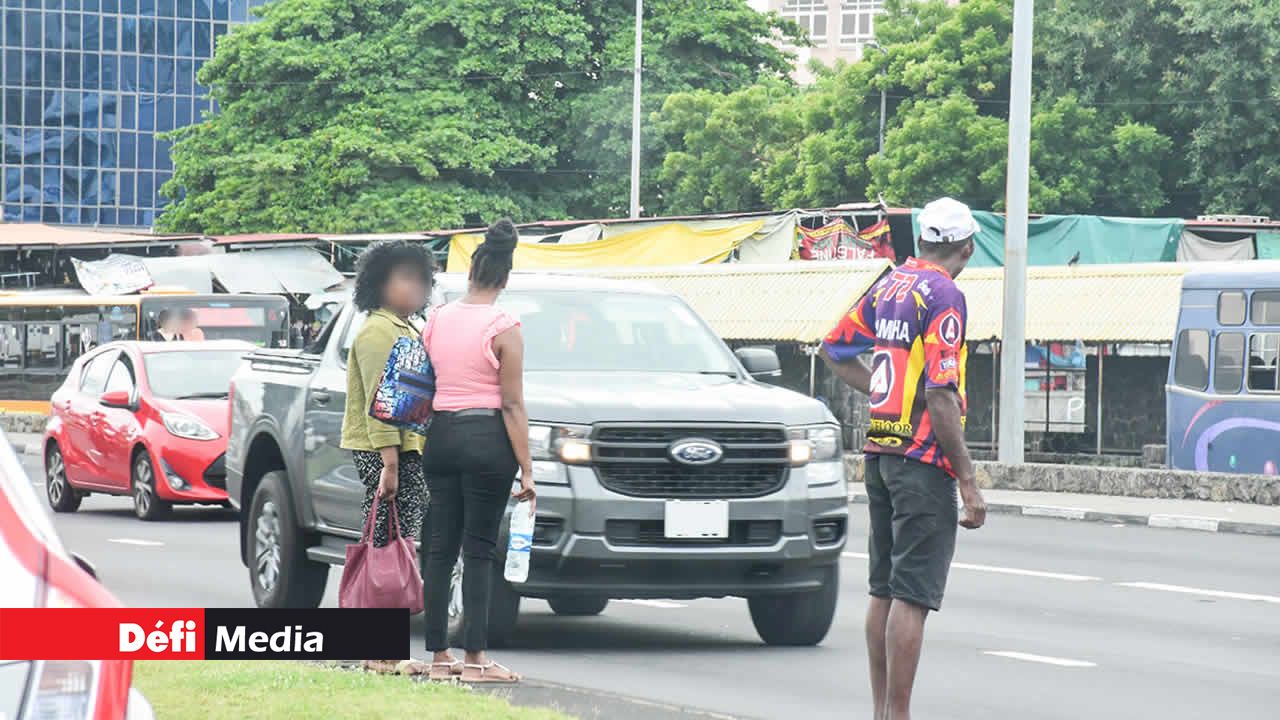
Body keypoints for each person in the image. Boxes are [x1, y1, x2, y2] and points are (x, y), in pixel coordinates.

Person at [821, 197, 988, 720]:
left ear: (922, 240)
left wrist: (884, 391)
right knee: (911, 594)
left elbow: (835, 349)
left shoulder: (890, 284)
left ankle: (881, 711)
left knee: (883, 590)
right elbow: (941, 392)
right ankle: (899, 714)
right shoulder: (945, 295)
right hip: (920, 460)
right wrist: (967, 479)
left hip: (879, 454)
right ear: (967, 246)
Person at [420, 218, 535, 684]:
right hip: (487, 440)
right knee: (480, 550)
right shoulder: (505, 326)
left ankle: (437, 659)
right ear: (504, 279)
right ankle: (476, 660)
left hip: (441, 437)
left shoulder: (438, 318)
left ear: (471, 272)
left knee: (440, 548)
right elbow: (511, 404)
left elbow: (426, 382)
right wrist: (527, 468)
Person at [338, 239, 434, 677]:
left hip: (406, 449)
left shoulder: (405, 328)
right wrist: (391, 464)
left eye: (421, 279)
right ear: (379, 284)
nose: (415, 288)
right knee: (385, 548)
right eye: (404, 279)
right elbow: (382, 403)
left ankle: (386, 652)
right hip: (385, 451)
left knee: (396, 547)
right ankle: (377, 651)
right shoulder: (378, 330)